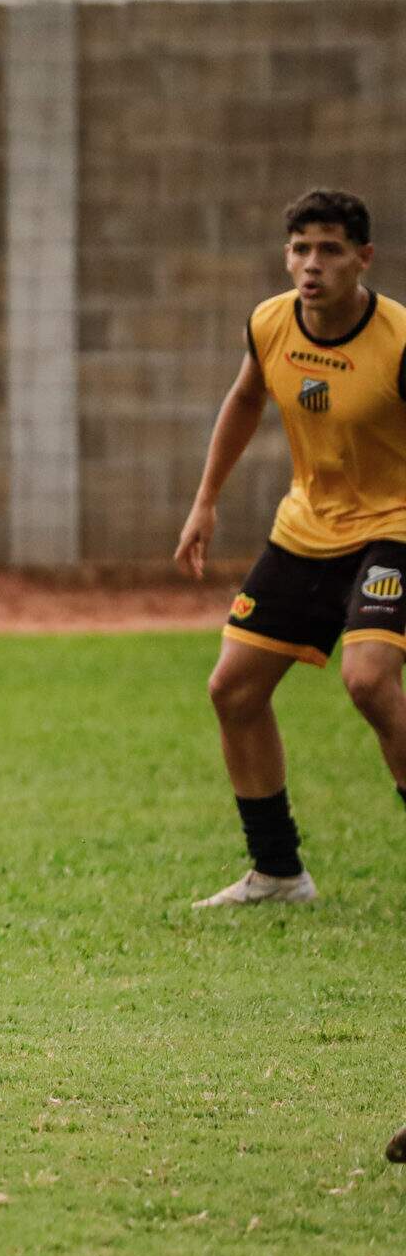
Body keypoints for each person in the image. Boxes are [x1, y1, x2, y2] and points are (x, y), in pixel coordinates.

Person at [173, 188, 406, 907]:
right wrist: (205, 498)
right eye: (300, 249)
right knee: (233, 689)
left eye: (330, 250)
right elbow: (247, 398)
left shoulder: (398, 338)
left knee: (368, 681)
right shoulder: (271, 323)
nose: (311, 265)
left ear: (363, 258)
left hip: (394, 526)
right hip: (306, 529)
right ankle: (277, 871)